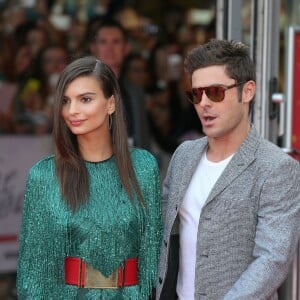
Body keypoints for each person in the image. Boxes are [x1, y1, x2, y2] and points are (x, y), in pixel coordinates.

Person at [156, 39, 300, 300]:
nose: (204, 103)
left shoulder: (277, 168)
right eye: (196, 94)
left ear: (247, 92)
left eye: (215, 92)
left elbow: (272, 260)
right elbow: (165, 235)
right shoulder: (184, 156)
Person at [17, 56, 162, 299]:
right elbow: (32, 274)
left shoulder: (143, 167)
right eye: (65, 101)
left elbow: (152, 258)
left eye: (85, 99)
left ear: (111, 103)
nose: (72, 111)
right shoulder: (44, 176)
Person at [89, 18, 151, 149]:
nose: (109, 48)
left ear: (126, 48)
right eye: (103, 42)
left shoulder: (136, 92)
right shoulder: (82, 91)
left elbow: (143, 138)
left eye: (116, 42)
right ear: (93, 48)